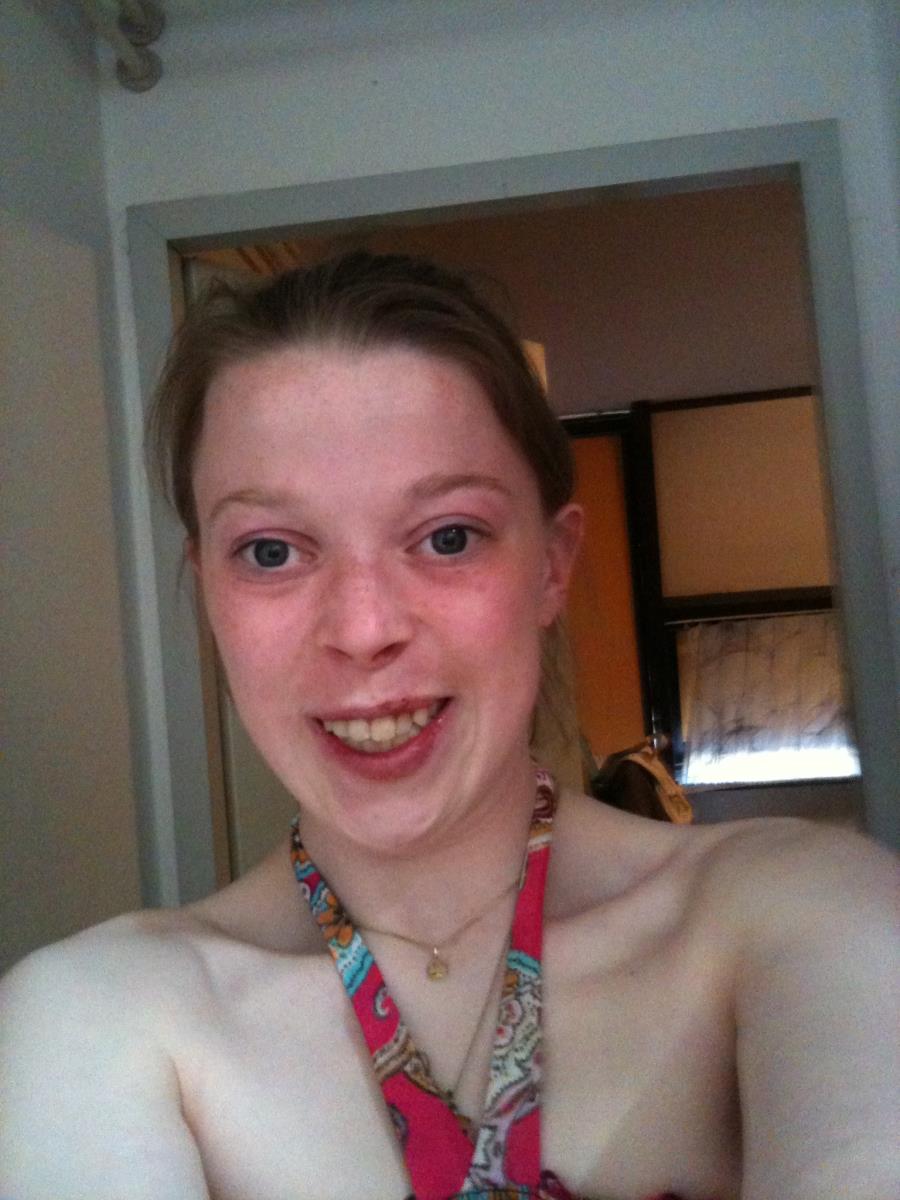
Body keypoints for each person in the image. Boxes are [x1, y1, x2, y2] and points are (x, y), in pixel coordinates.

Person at [1, 252, 897, 1200]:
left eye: (448, 537)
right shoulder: (101, 1014)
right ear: (208, 594)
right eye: (270, 552)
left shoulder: (799, 914)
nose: (363, 630)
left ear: (551, 567)